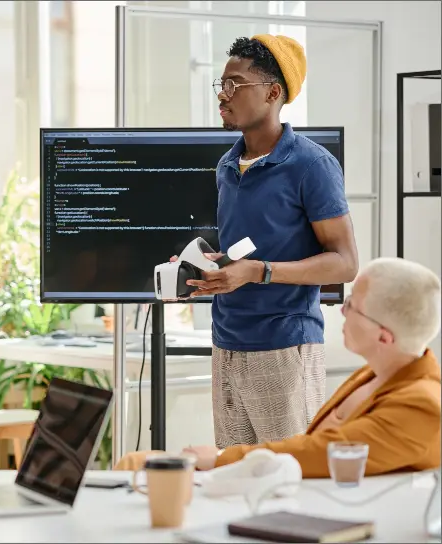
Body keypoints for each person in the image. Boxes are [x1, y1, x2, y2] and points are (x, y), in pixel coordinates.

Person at [183, 35, 359, 448]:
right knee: (236, 478)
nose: (223, 96)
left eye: (235, 84)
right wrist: (212, 263)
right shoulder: (228, 165)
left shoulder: (312, 165)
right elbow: (249, 248)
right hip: (226, 344)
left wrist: (258, 272)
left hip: (284, 348)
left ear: (273, 92)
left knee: (290, 482)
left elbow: (345, 262)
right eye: (221, 85)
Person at [120, 258, 441, 479]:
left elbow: (319, 451)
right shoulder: (376, 374)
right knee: (132, 464)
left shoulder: (422, 405)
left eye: (352, 306)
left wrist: (218, 460)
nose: (342, 310)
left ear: (384, 336)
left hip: (319, 507)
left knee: (142, 467)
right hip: (295, 488)